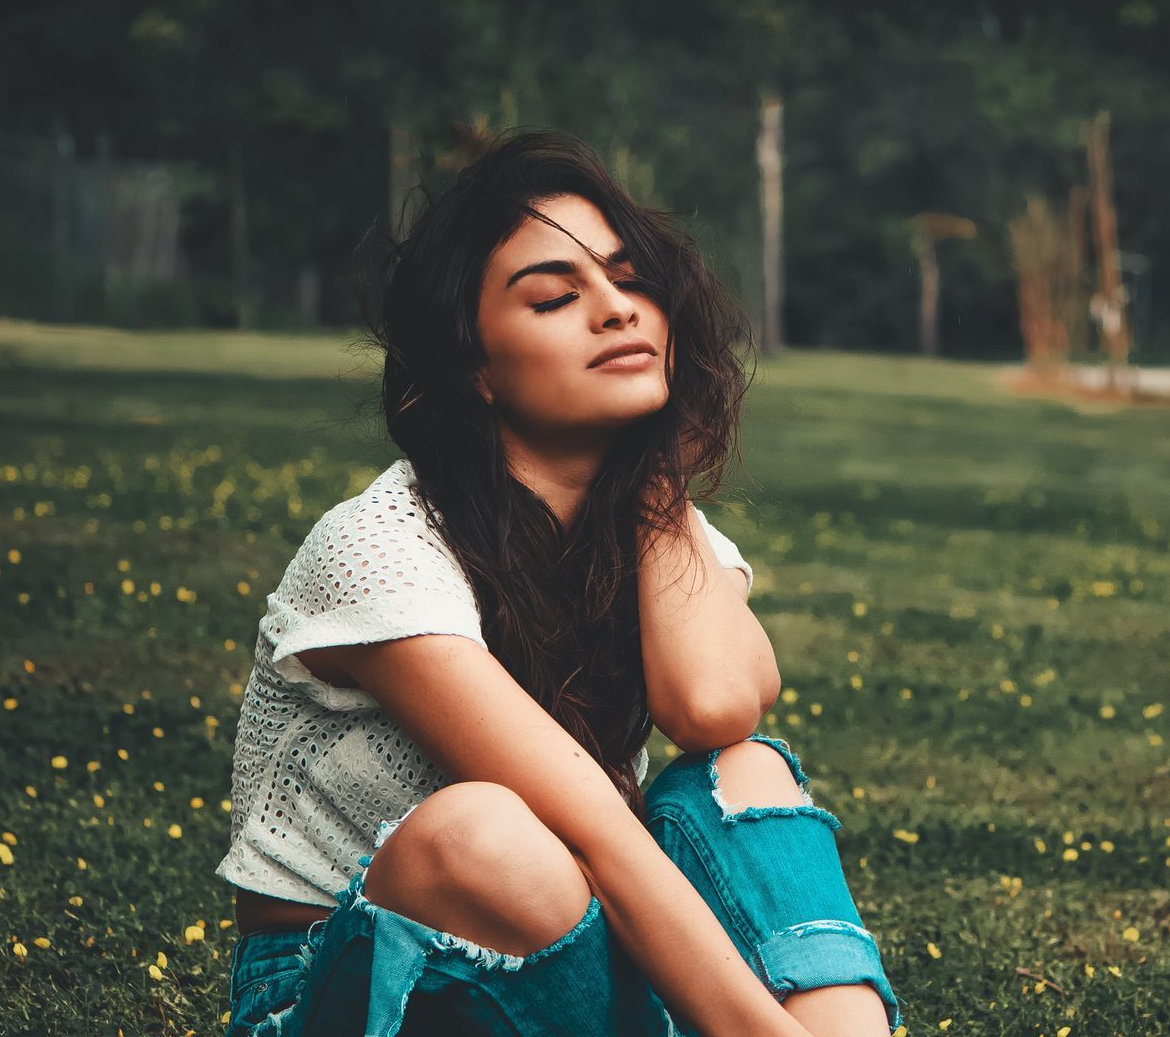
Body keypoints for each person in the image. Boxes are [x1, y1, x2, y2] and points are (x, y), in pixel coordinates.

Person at [214, 129, 903, 1036]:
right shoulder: (378, 548)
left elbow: (713, 709)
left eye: (630, 280)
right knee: (489, 836)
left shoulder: (663, 532)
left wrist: (660, 481)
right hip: (339, 989)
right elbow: (592, 835)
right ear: (473, 367)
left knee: (747, 772)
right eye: (554, 296)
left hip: (577, 963)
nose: (619, 311)